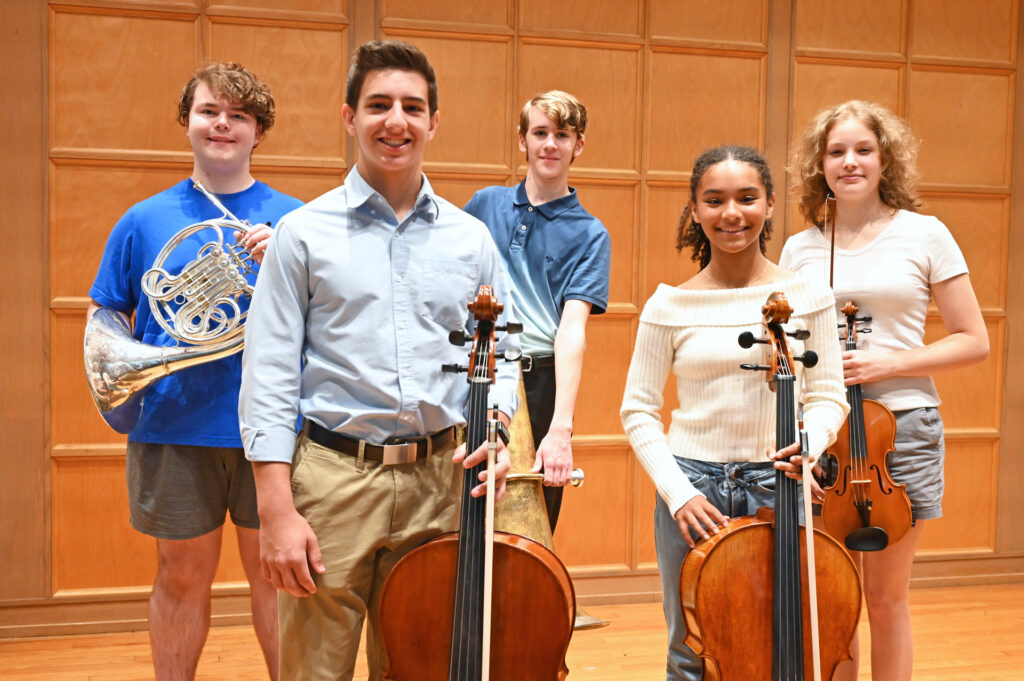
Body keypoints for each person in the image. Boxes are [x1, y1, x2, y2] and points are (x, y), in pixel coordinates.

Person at [237, 40, 518, 681]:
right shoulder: (301, 235)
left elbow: (497, 355)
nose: (397, 121)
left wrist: (495, 432)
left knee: (421, 668)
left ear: (433, 122)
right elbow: (270, 376)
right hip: (332, 482)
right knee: (315, 672)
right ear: (349, 117)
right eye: (379, 105)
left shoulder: (469, 238)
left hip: (440, 485)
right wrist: (276, 511)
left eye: (412, 107)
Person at [87, 62, 302, 680]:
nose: (223, 126)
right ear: (188, 121)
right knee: (180, 578)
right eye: (210, 112)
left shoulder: (297, 221)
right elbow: (109, 317)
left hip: (275, 425)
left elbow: (331, 320)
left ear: (259, 131)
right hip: (174, 422)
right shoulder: (142, 220)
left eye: (239, 116)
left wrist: (282, 265)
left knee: (279, 580)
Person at [619, 145, 849, 681]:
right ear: (695, 210)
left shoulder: (809, 295)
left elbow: (827, 394)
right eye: (715, 200)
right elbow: (638, 410)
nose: (732, 214)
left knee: (783, 640)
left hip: (778, 483)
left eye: (747, 198)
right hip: (694, 489)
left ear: (769, 205)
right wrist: (680, 494)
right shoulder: (668, 305)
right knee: (692, 650)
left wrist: (808, 447)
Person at [781, 100, 989, 681]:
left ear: (884, 158)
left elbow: (973, 341)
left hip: (904, 429)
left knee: (887, 597)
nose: (850, 162)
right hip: (825, 434)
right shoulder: (801, 247)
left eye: (863, 150)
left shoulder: (924, 234)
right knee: (837, 595)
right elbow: (790, 342)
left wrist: (887, 362)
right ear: (819, 164)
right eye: (836, 151)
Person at [463, 90, 611, 532]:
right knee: (462, 506)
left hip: (541, 379)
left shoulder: (591, 233)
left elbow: (571, 333)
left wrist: (560, 430)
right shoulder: (484, 204)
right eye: (540, 132)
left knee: (531, 525)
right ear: (522, 140)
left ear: (577, 146)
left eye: (561, 135)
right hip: (476, 369)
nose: (550, 144)